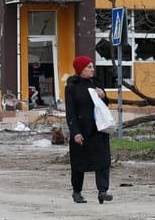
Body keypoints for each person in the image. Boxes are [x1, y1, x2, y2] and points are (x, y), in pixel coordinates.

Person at [65, 55, 113, 204]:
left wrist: (103, 95)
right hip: (82, 131)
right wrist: (75, 132)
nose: (92, 69)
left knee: (103, 161)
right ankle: (77, 192)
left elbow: (105, 104)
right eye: (89, 67)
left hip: (98, 129)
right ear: (80, 70)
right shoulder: (72, 86)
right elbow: (70, 112)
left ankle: (103, 191)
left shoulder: (96, 83)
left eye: (92, 66)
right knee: (79, 164)